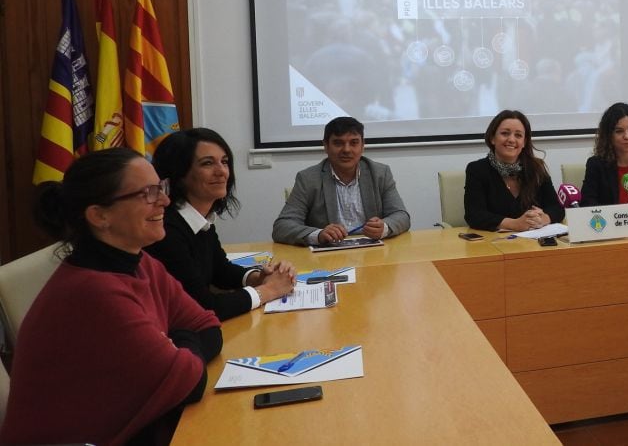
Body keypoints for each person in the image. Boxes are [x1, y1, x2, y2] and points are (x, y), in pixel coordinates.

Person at [0, 148, 221, 446]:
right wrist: (181, 345)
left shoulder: (141, 263)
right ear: (99, 215)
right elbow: (191, 384)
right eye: (148, 193)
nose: (166, 201)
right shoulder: (93, 292)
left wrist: (177, 345)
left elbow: (208, 326)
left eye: (162, 188)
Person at [147, 128, 297, 320]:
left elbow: (220, 271)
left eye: (224, 162)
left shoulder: (200, 219)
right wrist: (269, 290)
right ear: (179, 174)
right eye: (207, 163)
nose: (221, 171)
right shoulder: (167, 230)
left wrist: (259, 277)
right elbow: (202, 306)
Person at [273, 116, 411, 245]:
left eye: (354, 143)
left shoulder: (380, 173)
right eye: (338, 143)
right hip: (327, 257)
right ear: (326, 146)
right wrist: (318, 234)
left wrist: (384, 228)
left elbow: (401, 216)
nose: (346, 149)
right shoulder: (308, 178)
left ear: (362, 146)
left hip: (372, 252)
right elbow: (282, 227)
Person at [464, 109, 565, 231]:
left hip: (533, 243)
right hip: (493, 244)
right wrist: (515, 224)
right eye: (505, 133)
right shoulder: (477, 170)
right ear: (492, 138)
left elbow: (557, 208)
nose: (511, 139)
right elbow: (474, 215)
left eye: (518, 135)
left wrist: (543, 219)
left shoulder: (536, 169)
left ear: (524, 142)